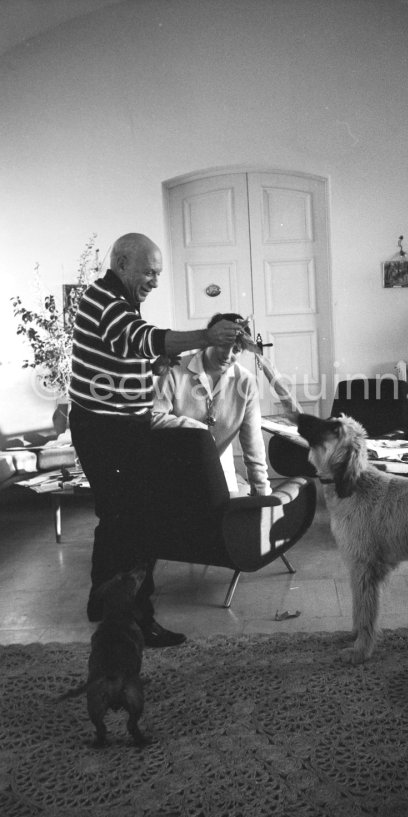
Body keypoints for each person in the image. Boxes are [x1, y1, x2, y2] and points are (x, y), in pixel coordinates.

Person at [69, 233, 247, 647]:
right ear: (122, 263)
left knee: (113, 516)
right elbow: (143, 338)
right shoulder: (106, 302)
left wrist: (152, 368)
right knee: (137, 521)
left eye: (158, 274)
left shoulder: (116, 300)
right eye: (148, 272)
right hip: (107, 431)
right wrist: (208, 335)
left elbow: (123, 359)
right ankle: (138, 618)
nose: (153, 281)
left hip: (115, 427)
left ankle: (101, 602)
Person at [151, 313, 271, 496]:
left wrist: (263, 493)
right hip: (175, 463)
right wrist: (197, 429)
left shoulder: (246, 382)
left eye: (237, 350)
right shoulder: (174, 369)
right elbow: (153, 417)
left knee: (223, 517)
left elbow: (253, 442)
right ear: (209, 340)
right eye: (223, 345)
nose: (227, 355)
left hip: (219, 465)